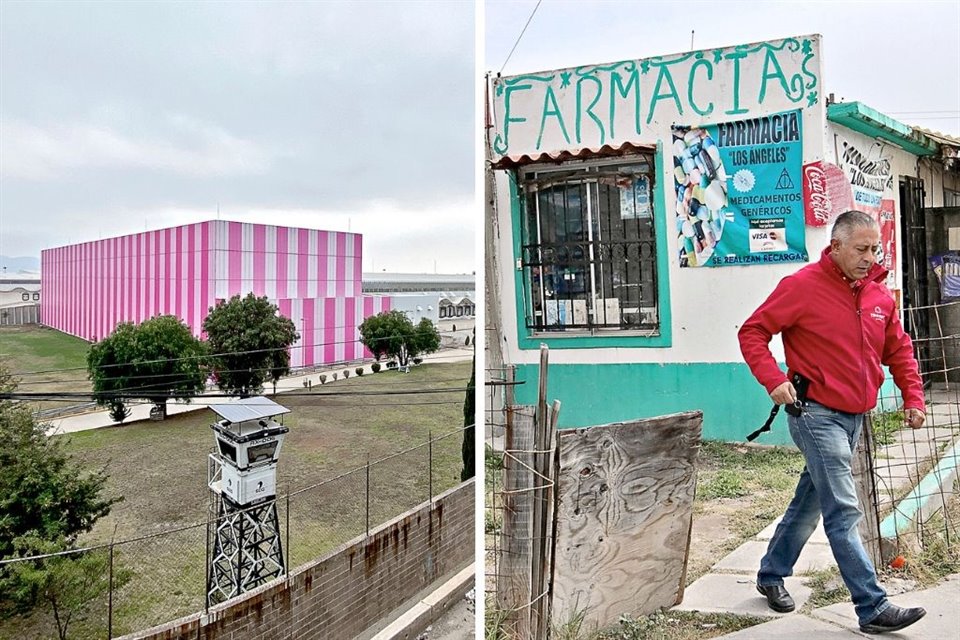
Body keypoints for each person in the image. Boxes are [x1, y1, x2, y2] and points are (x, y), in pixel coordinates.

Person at [738, 210, 928, 635]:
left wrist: (913, 397)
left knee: (809, 502)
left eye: (874, 248)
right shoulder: (801, 287)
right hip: (814, 413)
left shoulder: (879, 296)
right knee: (843, 508)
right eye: (861, 249)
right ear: (836, 246)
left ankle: (771, 573)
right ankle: (872, 606)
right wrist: (773, 380)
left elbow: (898, 349)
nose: (869, 256)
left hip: (855, 416)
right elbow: (752, 332)